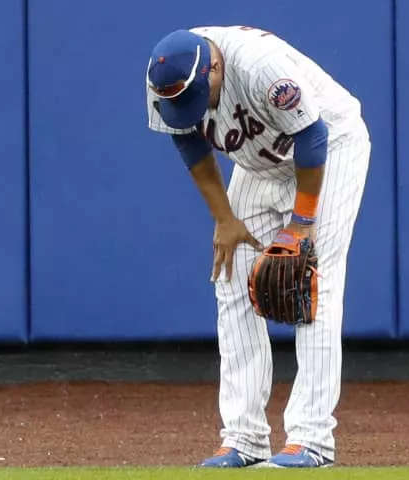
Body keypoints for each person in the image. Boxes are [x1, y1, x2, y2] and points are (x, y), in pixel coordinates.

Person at [145, 25, 371, 468]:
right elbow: (188, 141)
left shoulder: (260, 67)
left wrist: (302, 224)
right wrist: (224, 219)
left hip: (329, 146)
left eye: (196, 95)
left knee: (312, 280)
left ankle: (311, 439)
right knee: (230, 277)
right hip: (259, 162)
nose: (191, 106)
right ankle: (244, 437)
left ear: (213, 68)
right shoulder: (162, 78)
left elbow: (313, 137)